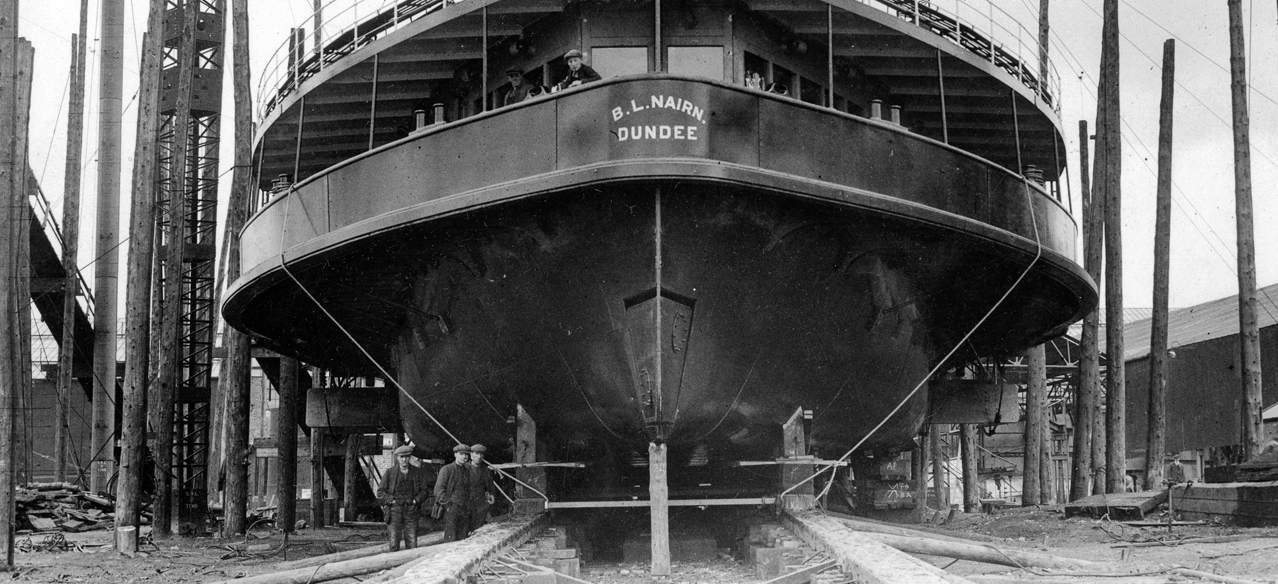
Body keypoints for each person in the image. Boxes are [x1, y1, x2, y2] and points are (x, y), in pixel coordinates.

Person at [376, 445, 431, 551]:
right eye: (402, 457)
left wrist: (416, 500)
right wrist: (391, 500)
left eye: (407, 457)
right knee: (393, 542)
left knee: (412, 543)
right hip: (394, 511)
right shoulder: (390, 473)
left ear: (410, 457)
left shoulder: (417, 472)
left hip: (411, 510)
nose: (404, 459)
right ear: (397, 457)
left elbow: (425, 490)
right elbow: (380, 492)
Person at [434, 443, 472, 541]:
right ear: (455, 454)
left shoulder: (466, 471)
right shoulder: (447, 469)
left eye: (466, 454)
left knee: (463, 538)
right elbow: (438, 490)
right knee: (451, 538)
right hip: (452, 509)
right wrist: (448, 506)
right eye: (461, 454)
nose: (464, 457)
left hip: (464, 509)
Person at [468, 444, 496, 532]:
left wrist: (492, 496)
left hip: (481, 505)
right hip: (467, 504)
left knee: (478, 530)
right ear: (471, 455)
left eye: (481, 454)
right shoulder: (464, 468)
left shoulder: (486, 470)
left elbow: (491, 488)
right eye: (476, 453)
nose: (479, 456)